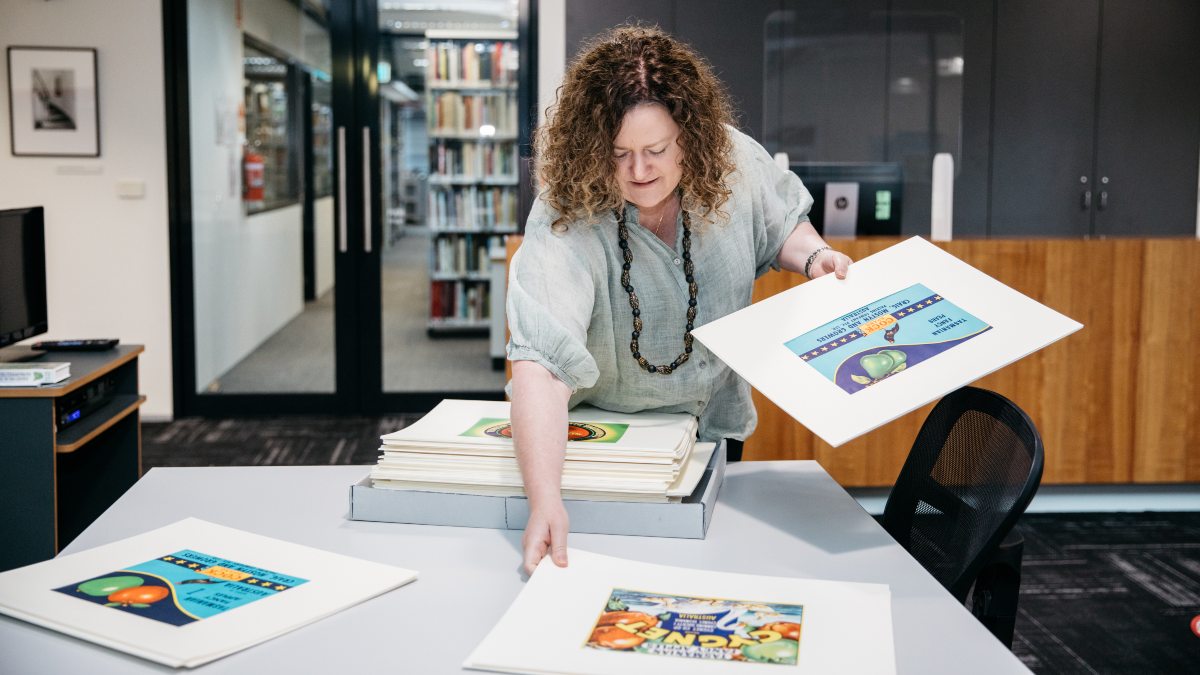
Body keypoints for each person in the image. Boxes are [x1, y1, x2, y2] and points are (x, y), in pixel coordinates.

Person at [507, 25, 852, 575]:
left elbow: (781, 223)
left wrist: (814, 257)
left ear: (690, 134)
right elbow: (540, 366)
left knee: (709, 575)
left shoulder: (734, 160)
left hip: (713, 428)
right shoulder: (566, 209)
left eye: (657, 150)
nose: (639, 171)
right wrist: (545, 500)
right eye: (618, 154)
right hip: (606, 444)